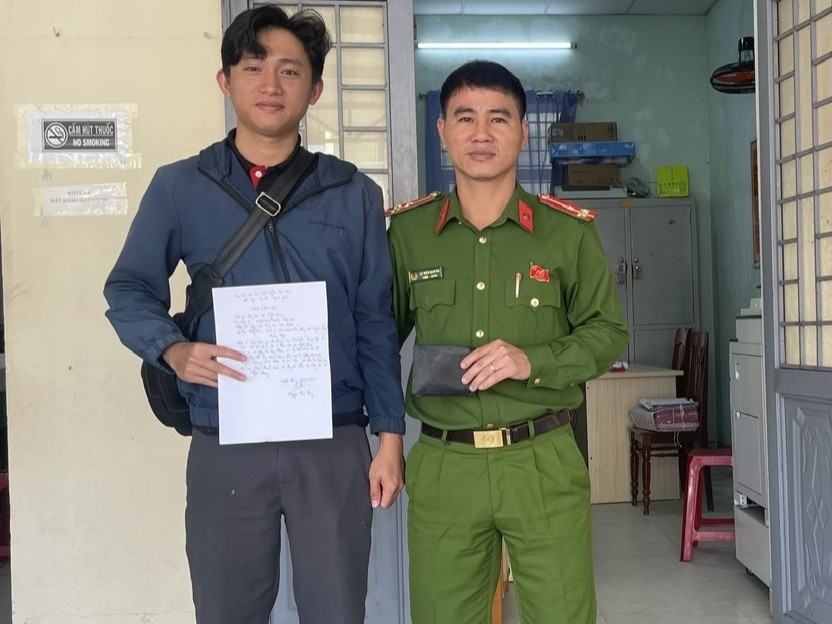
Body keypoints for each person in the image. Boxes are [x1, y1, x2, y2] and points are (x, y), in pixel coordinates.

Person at [103, 6, 405, 623]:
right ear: (225, 81)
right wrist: (172, 349)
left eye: (290, 71)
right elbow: (129, 288)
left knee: (337, 607)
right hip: (226, 434)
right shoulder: (180, 187)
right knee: (227, 607)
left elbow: (375, 320)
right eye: (252, 67)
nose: (271, 85)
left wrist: (390, 436)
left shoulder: (353, 194)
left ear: (314, 89)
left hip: (332, 437)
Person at [387, 60, 629, 624]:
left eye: (498, 118)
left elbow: (607, 332)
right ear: (442, 130)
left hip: (541, 459)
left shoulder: (567, 231)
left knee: (563, 615)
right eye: (464, 117)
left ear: (524, 132)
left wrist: (532, 360)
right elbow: (377, 340)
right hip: (445, 463)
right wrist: (385, 438)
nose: (481, 133)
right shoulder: (408, 234)